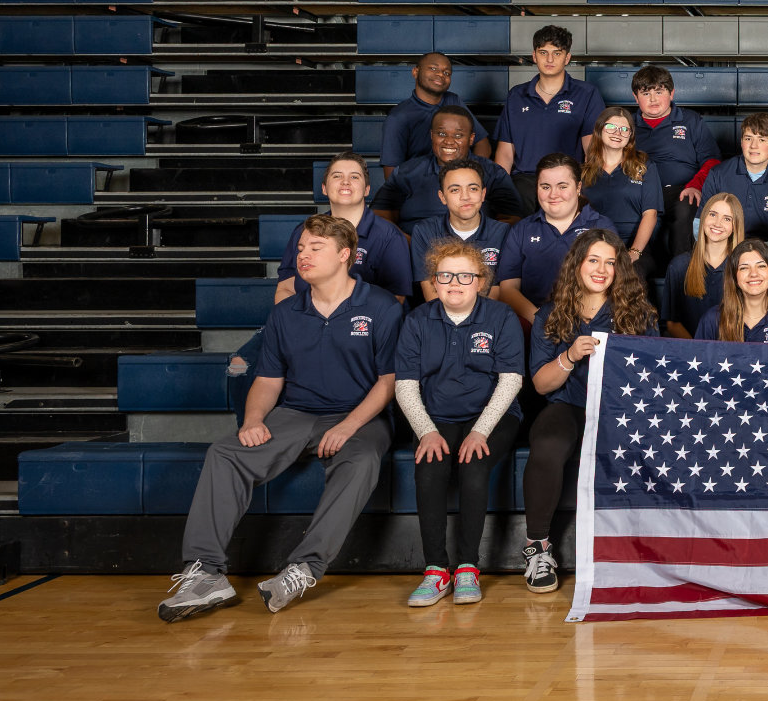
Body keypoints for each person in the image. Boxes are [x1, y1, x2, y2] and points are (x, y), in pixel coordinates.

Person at [160, 215, 401, 621]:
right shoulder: (287, 312)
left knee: (359, 461)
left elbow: (389, 381)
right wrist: (253, 419)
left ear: (346, 255)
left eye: (315, 248)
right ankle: (206, 574)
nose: (303, 255)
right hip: (296, 413)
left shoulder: (379, 306)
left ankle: (303, 569)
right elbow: (268, 381)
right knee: (226, 452)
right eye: (301, 248)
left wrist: (348, 426)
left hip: (358, 416)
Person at [520, 229, 658, 593]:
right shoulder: (550, 315)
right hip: (568, 405)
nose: (601, 269)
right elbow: (541, 384)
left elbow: (653, 378)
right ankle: (538, 548)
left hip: (620, 409)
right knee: (547, 445)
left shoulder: (637, 312)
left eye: (610, 263)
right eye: (593, 260)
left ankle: (638, 551)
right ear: (577, 264)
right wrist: (568, 356)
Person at [394, 241, 524, 607]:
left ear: (480, 281)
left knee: (474, 465)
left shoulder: (500, 317)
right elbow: (404, 384)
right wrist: (426, 431)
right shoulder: (418, 320)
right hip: (436, 416)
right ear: (434, 282)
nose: (455, 282)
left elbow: (511, 380)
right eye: (445, 275)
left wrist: (480, 431)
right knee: (430, 468)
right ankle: (436, 570)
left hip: (493, 415)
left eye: (465, 275)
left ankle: (468, 567)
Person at [494, 154, 617, 327]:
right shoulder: (521, 230)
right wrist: (540, 320)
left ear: (578, 187)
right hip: (535, 320)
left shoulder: (601, 226)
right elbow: (508, 289)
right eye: (545, 187)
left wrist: (580, 323)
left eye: (562, 186)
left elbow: (613, 283)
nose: (553, 194)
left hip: (586, 321)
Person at [275, 152, 410, 304]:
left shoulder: (388, 236)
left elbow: (396, 298)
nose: (345, 182)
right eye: (337, 176)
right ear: (324, 188)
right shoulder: (304, 231)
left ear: (367, 189)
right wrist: (295, 323)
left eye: (354, 177)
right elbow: (286, 288)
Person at [493, 24, 604, 205]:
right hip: (526, 181)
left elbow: (592, 150)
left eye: (557, 53)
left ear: (567, 58)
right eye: (543, 52)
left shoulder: (586, 93)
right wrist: (499, 189)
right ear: (534, 56)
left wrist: (583, 188)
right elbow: (505, 152)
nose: (550, 59)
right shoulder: (516, 95)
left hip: (566, 180)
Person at [372, 105, 522, 234]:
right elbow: (379, 215)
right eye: (442, 134)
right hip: (415, 250)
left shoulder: (493, 173)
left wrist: (481, 244)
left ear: (471, 139)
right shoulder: (407, 172)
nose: (449, 142)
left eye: (458, 135)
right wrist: (405, 243)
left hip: (475, 253)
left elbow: (512, 219)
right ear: (432, 135)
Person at [632, 64, 722, 262]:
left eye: (659, 91)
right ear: (635, 97)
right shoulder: (627, 126)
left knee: (685, 207)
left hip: (681, 190)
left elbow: (712, 160)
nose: (653, 99)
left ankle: (682, 271)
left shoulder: (690, 120)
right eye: (646, 93)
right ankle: (639, 267)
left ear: (671, 93)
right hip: (640, 191)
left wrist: (695, 186)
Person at [409, 158, 514, 301]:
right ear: (442, 197)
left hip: (487, 317)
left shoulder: (503, 232)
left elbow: (497, 290)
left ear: (483, 194)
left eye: (473, 189)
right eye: (455, 190)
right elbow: (429, 290)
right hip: (440, 317)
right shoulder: (424, 232)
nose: (465, 197)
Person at [379, 51, 492, 178]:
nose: (440, 75)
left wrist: (469, 174)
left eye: (446, 73)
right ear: (415, 72)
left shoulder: (454, 101)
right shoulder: (398, 118)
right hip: (421, 183)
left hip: (459, 180)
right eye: (433, 68)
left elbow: (483, 144)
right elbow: (391, 174)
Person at [578, 106, 663, 275]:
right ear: (599, 130)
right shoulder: (583, 171)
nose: (618, 133)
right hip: (594, 245)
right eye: (611, 127)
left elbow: (650, 214)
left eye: (625, 129)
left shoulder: (645, 166)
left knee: (632, 275)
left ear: (630, 136)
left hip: (633, 245)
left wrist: (634, 252)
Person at [695, 239, 768, 343]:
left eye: (761, 266)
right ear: (734, 277)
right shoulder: (712, 320)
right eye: (744, 268)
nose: (754, 274)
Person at [704, 113, 768, 241]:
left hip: (764, 255)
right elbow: (700, 222)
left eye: (762, 140)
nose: (754, 146)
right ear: (741, 142)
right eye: (748, 138)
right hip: (723, 251)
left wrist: (760, 257)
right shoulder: (718, 174)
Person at [661, 193, 745, 338]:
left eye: (727, 219)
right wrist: (700, 352)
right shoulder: (679, 266)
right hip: (692, 354)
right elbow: (673, 323)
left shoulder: (743, 267)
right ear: (703, 217)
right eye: (712, 215)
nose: (717, 223)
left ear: (735, 226)